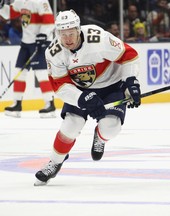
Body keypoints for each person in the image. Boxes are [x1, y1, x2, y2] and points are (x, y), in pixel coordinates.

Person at [34, 10, 141, 186]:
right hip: (80, 90)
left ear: (78, 29)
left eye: (71, 33)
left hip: (111, 85)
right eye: (63, 34)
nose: (67, 39)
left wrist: (131, 81)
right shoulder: (54, 52)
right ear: (57, 33)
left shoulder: (97, 38)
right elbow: (59, 85)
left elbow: (129, 55)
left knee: (111, 128)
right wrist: (81, 98)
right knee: (70, 126)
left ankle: (100, 137)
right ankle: (54, 162)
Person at [0, 0, 56, 118]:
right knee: (19, 72)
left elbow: (50, 20)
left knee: (41, 73)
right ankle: (17, 104)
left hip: (40, 42)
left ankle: (50, 104)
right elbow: (10, 13)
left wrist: (44, 34)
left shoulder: (41, 1)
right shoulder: (20, 1)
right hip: (26, 42)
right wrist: (1, 7)